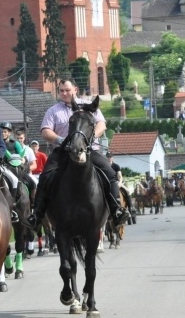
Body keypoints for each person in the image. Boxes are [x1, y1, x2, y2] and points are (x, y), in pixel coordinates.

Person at [25, 77, 130, 229]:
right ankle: (37, 215)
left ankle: (116, 210)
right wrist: (60, 139)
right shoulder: (53, 111)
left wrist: (91, 137)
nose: (64, 93)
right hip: (64, 151)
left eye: (67, 90)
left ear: (75, 90)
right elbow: (45, 131)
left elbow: (101, 124)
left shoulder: (89, 106)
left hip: (88, 151)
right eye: (61, 91)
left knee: (110, 173)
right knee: (45, 176)